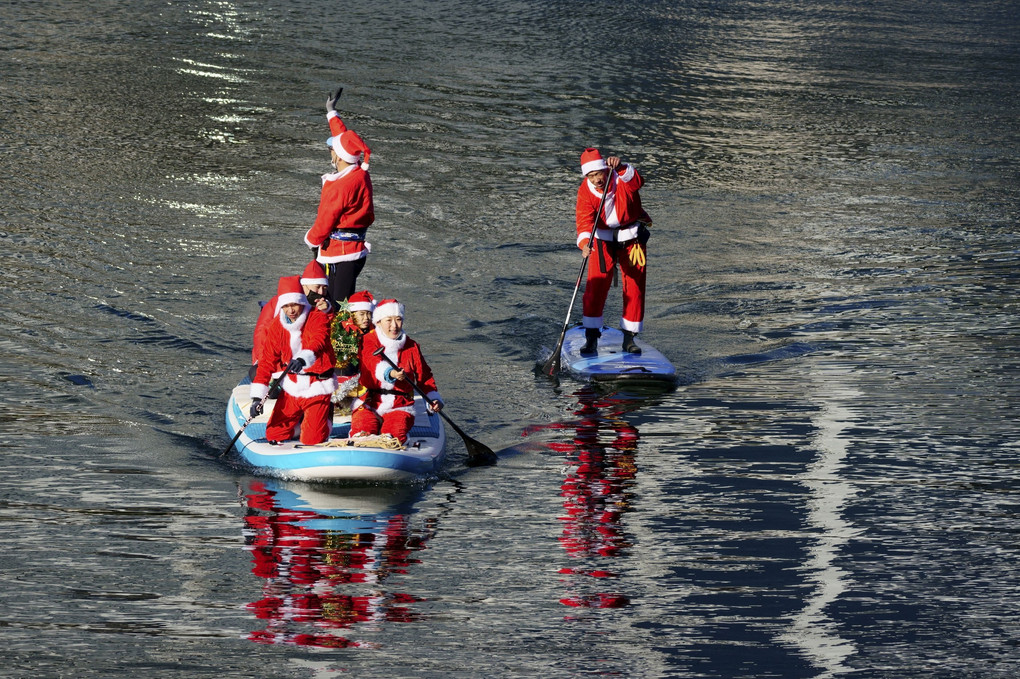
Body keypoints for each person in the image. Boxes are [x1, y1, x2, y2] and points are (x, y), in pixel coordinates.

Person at [574, 147, 652, 355]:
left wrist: (623, 167)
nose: (596, 180)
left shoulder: (621, 177)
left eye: (598, 174)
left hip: (632, 237)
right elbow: (583, 221)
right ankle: (591, 339)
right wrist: (584, 244)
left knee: (635, 286)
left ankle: (629, 338)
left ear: (604, 170)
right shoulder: (585, 190)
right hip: (601, 239)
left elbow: (638, 182)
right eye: (590, 176)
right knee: (595, 285)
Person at [303, 88, 374, 304]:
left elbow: (326, 218)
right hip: (355, 250)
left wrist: (311, 240)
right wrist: (331, 112)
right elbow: (343, 138)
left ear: (339, 156)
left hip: (339, 254)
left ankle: (337, 335)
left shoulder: (341, 186)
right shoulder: (359, 170)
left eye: (331, 150)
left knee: (335, 303)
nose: (330, 151)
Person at [249, 276, 338, 445]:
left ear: (302, 302)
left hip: (316, 386)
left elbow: (318, 341)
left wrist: (303, 359)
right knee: (275, 434)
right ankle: (302, 421)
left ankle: (325, 418)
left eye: (294, 305)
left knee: (312, 439)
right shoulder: (276, 326)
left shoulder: (317, 317)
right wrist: (257, 399)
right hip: (292, 386)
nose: (291, 310)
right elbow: (267, 362)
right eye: (286, 306)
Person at [349, 299, 443, 445]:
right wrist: (391, 373)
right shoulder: (367, 340)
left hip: (400, 405)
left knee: (393, 437)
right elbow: (371, 362)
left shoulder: (411, 346)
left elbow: (424, 377)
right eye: (388, 320)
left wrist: (433, 399)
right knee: (362, 432)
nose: (394, 326)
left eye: (398, 320)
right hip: (369, 403)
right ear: (378, 322)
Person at [251, 260, 336, 365]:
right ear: (305, 286)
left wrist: (327, 312)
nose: (321, 292)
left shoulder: (325, 304)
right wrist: (263, 361)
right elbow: (261, 332)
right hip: (276, 356)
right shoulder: (278, 302)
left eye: (325, 288)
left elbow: (326, 332)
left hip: (307, 358)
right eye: (317, 287)